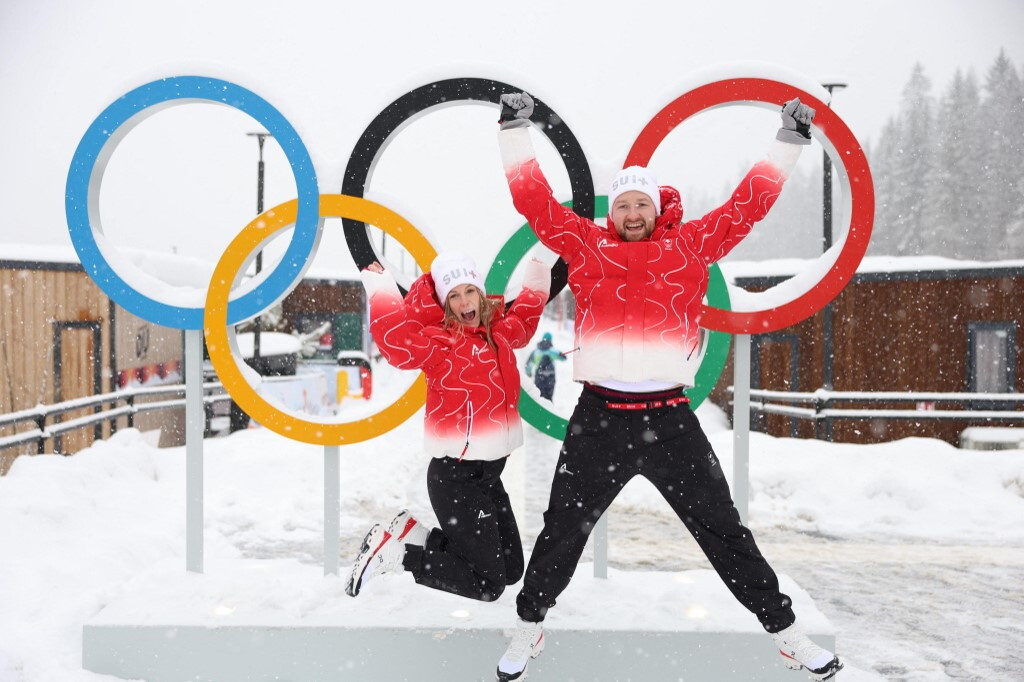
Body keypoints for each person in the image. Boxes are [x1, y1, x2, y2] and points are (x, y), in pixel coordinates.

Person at [490, 93, 843, 682]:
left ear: (656, 210)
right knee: (561, 531)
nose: (631, 213)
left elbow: (746, 208)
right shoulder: (587, 246)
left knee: (723, 531)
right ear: (613, 212)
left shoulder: (690, 247)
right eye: (623, 204)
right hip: (600, 416)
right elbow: (535, 203)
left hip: (671, 422)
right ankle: (528, 627)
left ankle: (785, 633)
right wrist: (514, 128)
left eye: (641, 204)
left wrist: (789, 140)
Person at [346, 251, 550, 605]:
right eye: (453, 296)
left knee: (512, 568)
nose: (464, 302)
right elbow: (396, 345)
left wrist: (538, 271)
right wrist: (380, 289)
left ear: (481, 294)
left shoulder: (498, 333)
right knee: (488, 584)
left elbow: (525, 321)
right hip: (456, 478)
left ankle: (415, 537)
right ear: (444, 303)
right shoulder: (440, 344)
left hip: (488, 477)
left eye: (469, 291)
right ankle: (396, 555)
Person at [524, 331, 565, 400]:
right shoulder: (553, 351)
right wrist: (561, 354)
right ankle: (548, 408)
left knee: (538, 398)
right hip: (550, 378)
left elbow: (529, 365)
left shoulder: (536, 351)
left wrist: (529, 373)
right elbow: (563, 358)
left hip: (539, 376)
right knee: (548, 398)